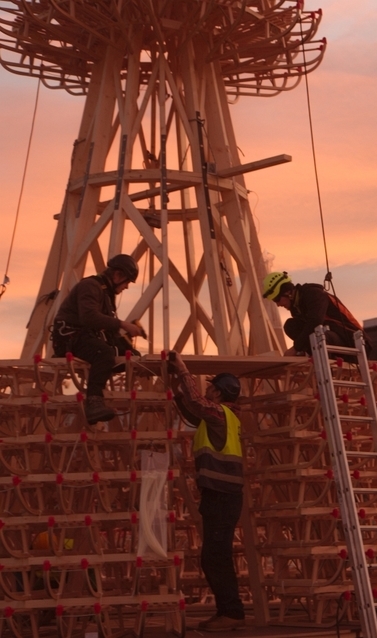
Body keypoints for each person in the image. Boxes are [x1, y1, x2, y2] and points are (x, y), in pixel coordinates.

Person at [168, 355, 246, 632]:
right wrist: (176, 388)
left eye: (211, 387)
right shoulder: (221, 418)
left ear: (219, 393)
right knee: (213, 556)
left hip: (223, 496)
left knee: (216, 556)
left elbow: (198, 404)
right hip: (220, 495)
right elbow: (191, 409)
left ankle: (232, 612)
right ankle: (227, 611)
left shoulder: (220, 414)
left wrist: (183, 370)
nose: (207, 390)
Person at [51, 254, 145, 424]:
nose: (127, 287)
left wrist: (127, 339)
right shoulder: (90, 286)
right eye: (127, 282)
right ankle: (94, 402)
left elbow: (106, 328)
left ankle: (103, 395)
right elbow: (89, 317)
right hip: (71, 339)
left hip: (86, 338)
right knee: (104, 354)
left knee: (130, 355)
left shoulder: (105, 293)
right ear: (118, 276)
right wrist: (123, 325)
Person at [261, 271, 365, 356]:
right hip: (330, 339)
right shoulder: (297, 308)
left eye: (277, 299)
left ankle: (314, 355)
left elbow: (315, 321)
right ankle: (310, 354)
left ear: (287, 292)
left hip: (352, 341)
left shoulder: (314, 294)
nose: (278, 304)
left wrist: (296, 348)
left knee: (319, 336)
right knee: (290, 325)